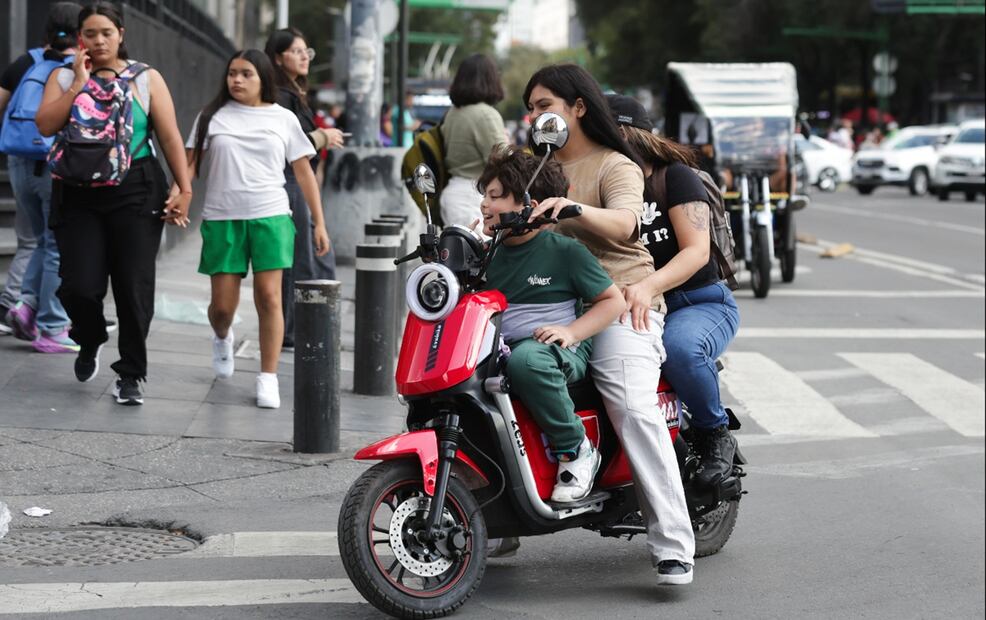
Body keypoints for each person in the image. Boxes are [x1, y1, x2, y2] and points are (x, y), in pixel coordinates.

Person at [520, 64, 695, 585]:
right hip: (546, 301)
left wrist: (572, 208)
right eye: (531, 108)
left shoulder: (615, 164)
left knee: (632, 405)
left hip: (619, 299)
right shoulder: (534, 168)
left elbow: (626, 221)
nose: (536, 116)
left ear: (577, 107)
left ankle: (672, 543)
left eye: (545, 104)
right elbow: (499, 208)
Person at [36, 1, 193, 405]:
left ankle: (131, 374)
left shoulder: (146, 78)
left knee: (133, 285)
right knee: (78, 287)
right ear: (79, 38)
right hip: (76, 192)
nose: (99, 40)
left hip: (136, 188)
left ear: (120, 33)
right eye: (90, 33)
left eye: (106, 32)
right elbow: (45, 125)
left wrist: (184, 187)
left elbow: (170, 136)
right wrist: (77, 83)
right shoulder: (62, 75)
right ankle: (89, 338)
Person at [607, 94, 740, 489]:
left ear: (627, 133)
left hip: (697, 303)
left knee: (680, 350)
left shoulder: (674, 177)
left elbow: (697, 252)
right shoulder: (605, 185)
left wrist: (647, 286)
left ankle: (714, 433)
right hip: (625, 306)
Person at [478, 144, 625, 502]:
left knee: (527, 360)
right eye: (484, 194)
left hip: (558, 349)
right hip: (502, 346)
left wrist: (570, 332)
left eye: (495, 196)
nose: (485, 204)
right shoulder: (486, 254)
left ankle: (576, 449)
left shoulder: (565, 251)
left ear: (530, 204)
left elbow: (613, 301)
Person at [186, 49, 329, 409]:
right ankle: (222, 336)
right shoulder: (212, 116)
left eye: (245, 74)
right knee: (222, 306)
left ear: (263, 78)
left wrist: (318, 222)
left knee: (269, 297)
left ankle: (268, 377)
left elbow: (303, 173)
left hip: (272, 216)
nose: (236, 80)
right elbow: (189, 165)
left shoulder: (282, 119)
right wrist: (179, 194)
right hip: (222, 219)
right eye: (232, 73)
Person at [0, 2, 80, 351]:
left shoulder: (26, 62)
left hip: (19, 161)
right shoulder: (78, 68)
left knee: (32, 240)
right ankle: (52, 326)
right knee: (56, 245)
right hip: (54, 164)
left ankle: (24, 306)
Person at [264, 27, 344, 350]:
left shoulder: (293, 93)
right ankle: (294, 330)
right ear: (277, 57)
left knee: (316, 259)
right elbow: (287, 146)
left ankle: (309, 326)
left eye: (306, 52)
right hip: (290, 184)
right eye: (296, 51)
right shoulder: (281, 97)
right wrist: (322, 137)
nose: (303, 57)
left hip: (300, 185)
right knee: (302, 262)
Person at [440, 53, 507, 230]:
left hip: (453, 192)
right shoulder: (485, 114)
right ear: (490, 79)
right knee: (481, 255)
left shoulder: (453, 113)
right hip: (473, 196)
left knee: (458, 253)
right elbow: (503, 161)